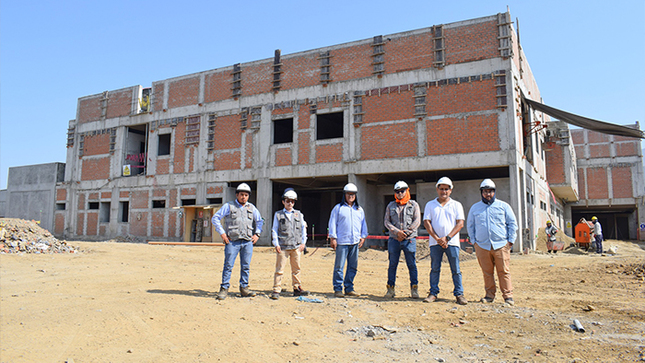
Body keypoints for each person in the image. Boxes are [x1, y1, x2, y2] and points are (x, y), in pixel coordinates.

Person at [467, 179, 518, 306]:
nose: (488, 194)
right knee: (487, 272)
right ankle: (489, 296)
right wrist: (474, 242)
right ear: (481, 193)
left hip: (501, 245)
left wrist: (510, 241)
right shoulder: (475, 208)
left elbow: (512, 224)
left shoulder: (503, 206)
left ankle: (508, 296)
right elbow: (470, 226)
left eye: (490, 191)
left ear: (494, 192)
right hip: (482, 246)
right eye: (485, 191)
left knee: (504, 271)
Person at [211, 183, 264, 300]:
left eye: (246, 195)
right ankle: (224, 288)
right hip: (232, 242)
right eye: (241, 195)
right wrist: (223, 234)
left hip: (247, 242)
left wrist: (257, 234)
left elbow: (260, 221)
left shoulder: (252, 208)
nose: (243, 197)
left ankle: (244, 288)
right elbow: (215, 218)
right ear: (237, 195)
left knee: (246, 266)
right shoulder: (229, 206)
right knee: (228, 265)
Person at [422, 177, 468, 305]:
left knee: (456, 269)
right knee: (435, 268)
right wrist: (437, 239)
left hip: (452, 243)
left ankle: (459, 294)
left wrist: (447, 238)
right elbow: (427, 222)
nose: (444, 191)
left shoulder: (456, 205)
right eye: (441, 189)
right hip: (435, 243)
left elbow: (460, 223)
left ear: (451, 190)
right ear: (437, 189)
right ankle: (433, 293)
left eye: (446, 189)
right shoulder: (430, 205)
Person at [328, 183, 368, 298]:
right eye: (348, 194)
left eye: (353, 194)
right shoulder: (338, 208)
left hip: (354, 242)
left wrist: (363, 236)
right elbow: (332, 223)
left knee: (353, 266)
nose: (351, 196)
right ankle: (338, 288)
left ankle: (349, 288)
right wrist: (333, 238)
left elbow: (363, 223)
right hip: (342, 242)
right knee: (339, 267)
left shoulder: (359, 210)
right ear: (344, 195)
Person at [383, 181, 421, 299]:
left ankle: (414, 289)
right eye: (397, 192)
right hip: (394, 240)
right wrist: (397, 232)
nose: (399, 194)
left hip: (409, 240)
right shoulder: (391, 206)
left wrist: (406, 233)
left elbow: (417, 221)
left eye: (402, 191)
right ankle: (390, 289)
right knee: (392, 264)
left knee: (412, 265)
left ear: (407, 191)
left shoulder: (413, 205)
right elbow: (386, 222)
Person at [270, 188, 309, 300]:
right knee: (279, 269)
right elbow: (274, 230)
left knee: (296, 269)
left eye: (292, 201)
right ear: (283, 201)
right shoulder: (278, 215)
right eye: (288, 201)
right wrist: (276, 244)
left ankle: (297, 288)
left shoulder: (299, 214)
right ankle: (276, 289)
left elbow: (303, 229)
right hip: (283, 246)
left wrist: (303, 243)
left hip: (296, 246)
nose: (290, 203)